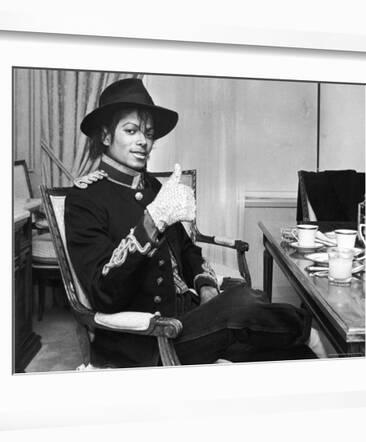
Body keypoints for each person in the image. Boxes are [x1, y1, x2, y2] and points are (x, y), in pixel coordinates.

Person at [65, 78, 325, 367]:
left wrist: (206, 288)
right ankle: (310, 332)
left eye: (148, 133)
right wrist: (150, 223)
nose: (143, 141)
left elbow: (188, 251)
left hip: (189, 320)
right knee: (245, 302)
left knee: (287, 353)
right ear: (105, 136)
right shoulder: (85, 199)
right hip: (148, 339)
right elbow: (103, 293)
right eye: (131, 130)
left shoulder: (154, 188)